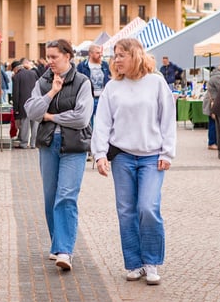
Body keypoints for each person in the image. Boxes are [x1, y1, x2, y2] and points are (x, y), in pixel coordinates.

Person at [91, 38, 176, 285]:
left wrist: (167, 153)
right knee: (126, 211)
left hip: (152, 157)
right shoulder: (112, 88)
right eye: (115, 56)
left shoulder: (156, 82)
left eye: (121, 55)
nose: (116, 60)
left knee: (148, 208)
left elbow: (167, 119)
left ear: (135, 55)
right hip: (123, 157)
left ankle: (151, 263)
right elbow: (103, 123)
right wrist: (99, 154)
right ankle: (134, 263)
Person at [24, 39, 93, 272]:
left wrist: (51, 117)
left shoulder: (82, 82)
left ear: (67, 56)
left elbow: (82, 117)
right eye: (48, 56)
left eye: (54, 57)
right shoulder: (43, 82)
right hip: (48, 143)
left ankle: (65, 250)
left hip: (74, 146)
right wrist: (52, 92)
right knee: (50, 197)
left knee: (66, 196)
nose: (49, 61)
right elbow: (32, 112)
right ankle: (57, 243)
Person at [76, 44, 111, 121]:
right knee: (89, 122)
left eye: (101, 53)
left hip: (103, 98)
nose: (100, 55)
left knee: (103, 121)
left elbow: (110, 79)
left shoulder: (105, 65)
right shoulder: (82, 66)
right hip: (89, 99)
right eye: (98, 53)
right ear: (90, 54)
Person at [11, 59, 39, 148]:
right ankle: (33, 143)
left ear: (15, 69)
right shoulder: (33, 73)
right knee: (35, 124)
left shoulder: (16, 77)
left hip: (23, 104)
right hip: (35, 102)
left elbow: (16, 94)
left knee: (25, 125)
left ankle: (24, 143)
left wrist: (16, 109)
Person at [202, 59, 220, 150]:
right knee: (213, 123)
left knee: (214, 122)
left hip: (212, 102)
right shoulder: (218, 77)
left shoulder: (217, 75)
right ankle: (212, 143)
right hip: (213, 103)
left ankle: (214, 142)